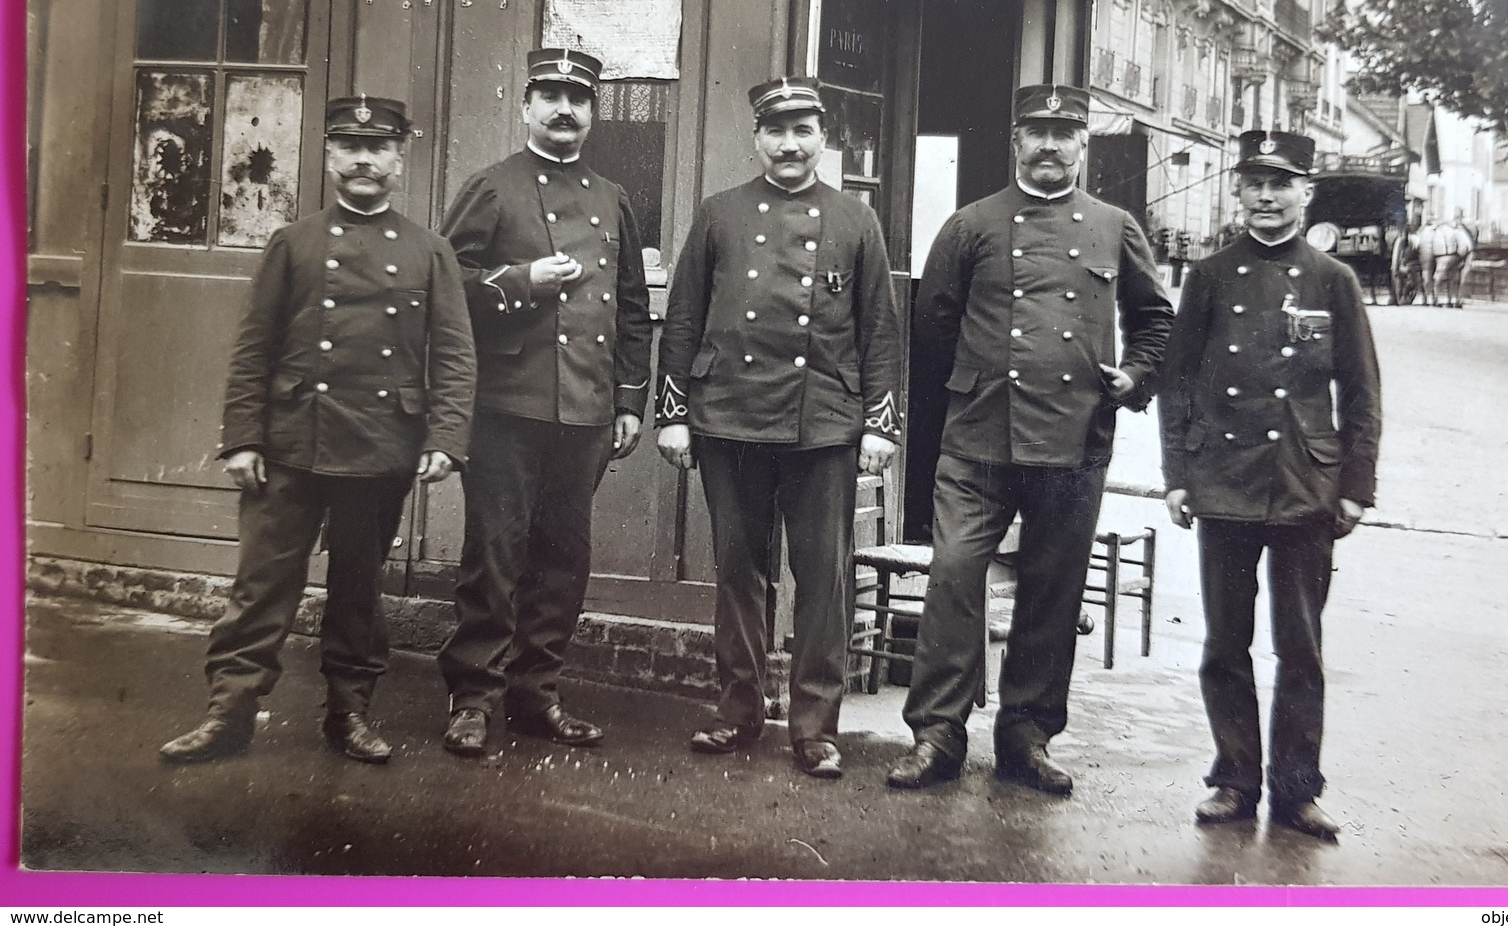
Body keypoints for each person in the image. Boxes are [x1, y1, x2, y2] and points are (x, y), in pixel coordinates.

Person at [159, 96, 477, 765]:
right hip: (290, 443)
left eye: (378, 148)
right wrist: (243, 436)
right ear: (329, 156)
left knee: (359, 589)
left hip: (380, 444)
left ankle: (349, 713)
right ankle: (230, 712)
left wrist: (445, 438)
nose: (364, 159)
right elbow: (253, 349)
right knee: (261, 585)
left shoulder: (430, 251)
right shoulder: (293, 243)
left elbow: (453, 353)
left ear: (399, 158)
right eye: (348, 146)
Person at [886, 84, 1173, 795]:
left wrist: (1133, 376)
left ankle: (1027, 735)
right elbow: (932, 326)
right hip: (978, 440)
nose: (1049, 145)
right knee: (953, 577)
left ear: (1083, 145)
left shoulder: (1113, 226)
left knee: (1052, 589)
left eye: (1063, 133)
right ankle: (936, 733)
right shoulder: (971, 225)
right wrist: (977, 382)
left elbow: (1156, 319)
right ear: (1014, 142)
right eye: (1036, 132)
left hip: (1073, 439)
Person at [654, 76, 902, 780]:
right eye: (776, 131)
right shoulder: (718, 213)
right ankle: (737, 711)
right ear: (756, 138)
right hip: (728, 417)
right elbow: (683, 319)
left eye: (802, 131)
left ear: (823, 138)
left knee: (822, 579)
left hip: (821, 424)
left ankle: (816, 727)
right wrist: (673, 416)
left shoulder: (855, 220)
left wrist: (879, 425)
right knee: (739, 571)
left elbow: (880, 331)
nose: (789, 145)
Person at [1159, 129, 1382, 841]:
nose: (1264, 195)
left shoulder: (1332, 280)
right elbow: (1178, 383)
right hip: (1223, 482)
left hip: (1303, 487)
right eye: (1252, 181)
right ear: (1237, 191)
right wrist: (1176, 476)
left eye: (1280, 183)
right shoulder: (1209, 275)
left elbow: (1361, 391)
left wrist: (1355, 485)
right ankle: (1231, 780)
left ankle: (1296, 792)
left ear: (1304, 193)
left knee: (1299, 648)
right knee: (1224, 645)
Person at [436, 48, 653, 757]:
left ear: (592, 113)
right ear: (526, 105)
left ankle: (537, 696)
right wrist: (523, 277)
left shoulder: (610, 196)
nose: (565, 110)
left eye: (578, 99)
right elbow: (446, 288)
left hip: (586, 409)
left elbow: (630, 307)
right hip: (505, 408)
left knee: (563, 559)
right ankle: (472, 698)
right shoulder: (492, 188)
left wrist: (627, 399)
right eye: (551, 95)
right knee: (494, 558)